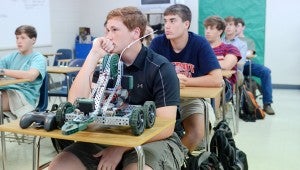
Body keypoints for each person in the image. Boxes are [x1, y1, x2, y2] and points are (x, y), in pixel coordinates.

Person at [48, 6, 186, 170]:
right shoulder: (108, 65)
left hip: (154, 139)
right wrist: (93, 55)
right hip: (110, 135)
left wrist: (119, 148)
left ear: (135, 33)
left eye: (114, 30)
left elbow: (166, 126)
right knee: (58, 166)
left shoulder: (160, 68)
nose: (108, 36)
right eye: (107, 30)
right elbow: (74, 103)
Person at [149, 4, 223, 153]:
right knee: (153, 132)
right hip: (161, 97)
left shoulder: (200, 43)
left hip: (190, 98)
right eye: (166, 21)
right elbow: (147, 74)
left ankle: (175, 159)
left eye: (172, 21)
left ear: (186, 24)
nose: (167, 26)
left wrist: (187, 81)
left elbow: (217, 80)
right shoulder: (157, 43)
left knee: (197, 133)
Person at [0, 25, 47, 119]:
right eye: (17, 38)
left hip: (23, 97)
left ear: (33, 40)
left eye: (23, 38)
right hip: (6, 91)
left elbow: (31, 76)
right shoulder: (12, 56)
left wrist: (3, 71)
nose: (19, 41)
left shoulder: (38, 58)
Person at [235, 17, 275, 115]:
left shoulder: (249, 41)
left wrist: (239, 54)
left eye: (238, 25)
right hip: (233, 65)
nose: (236, 28)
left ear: (243, 27)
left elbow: (250, 54)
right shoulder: (229, 39)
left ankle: (267, 104)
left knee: (266, 71)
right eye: (234, 25)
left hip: (247, 64)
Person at [204, 15, 241, 114]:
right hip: (202, 81)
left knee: (217, 82)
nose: (207, 31)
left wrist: (202, 64)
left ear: (220, 31)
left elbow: (226, 65)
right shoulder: (200, 48)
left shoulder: (230, 48)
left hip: (225, 87)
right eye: (206, 28)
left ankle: (212, 120)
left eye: (211, 28)